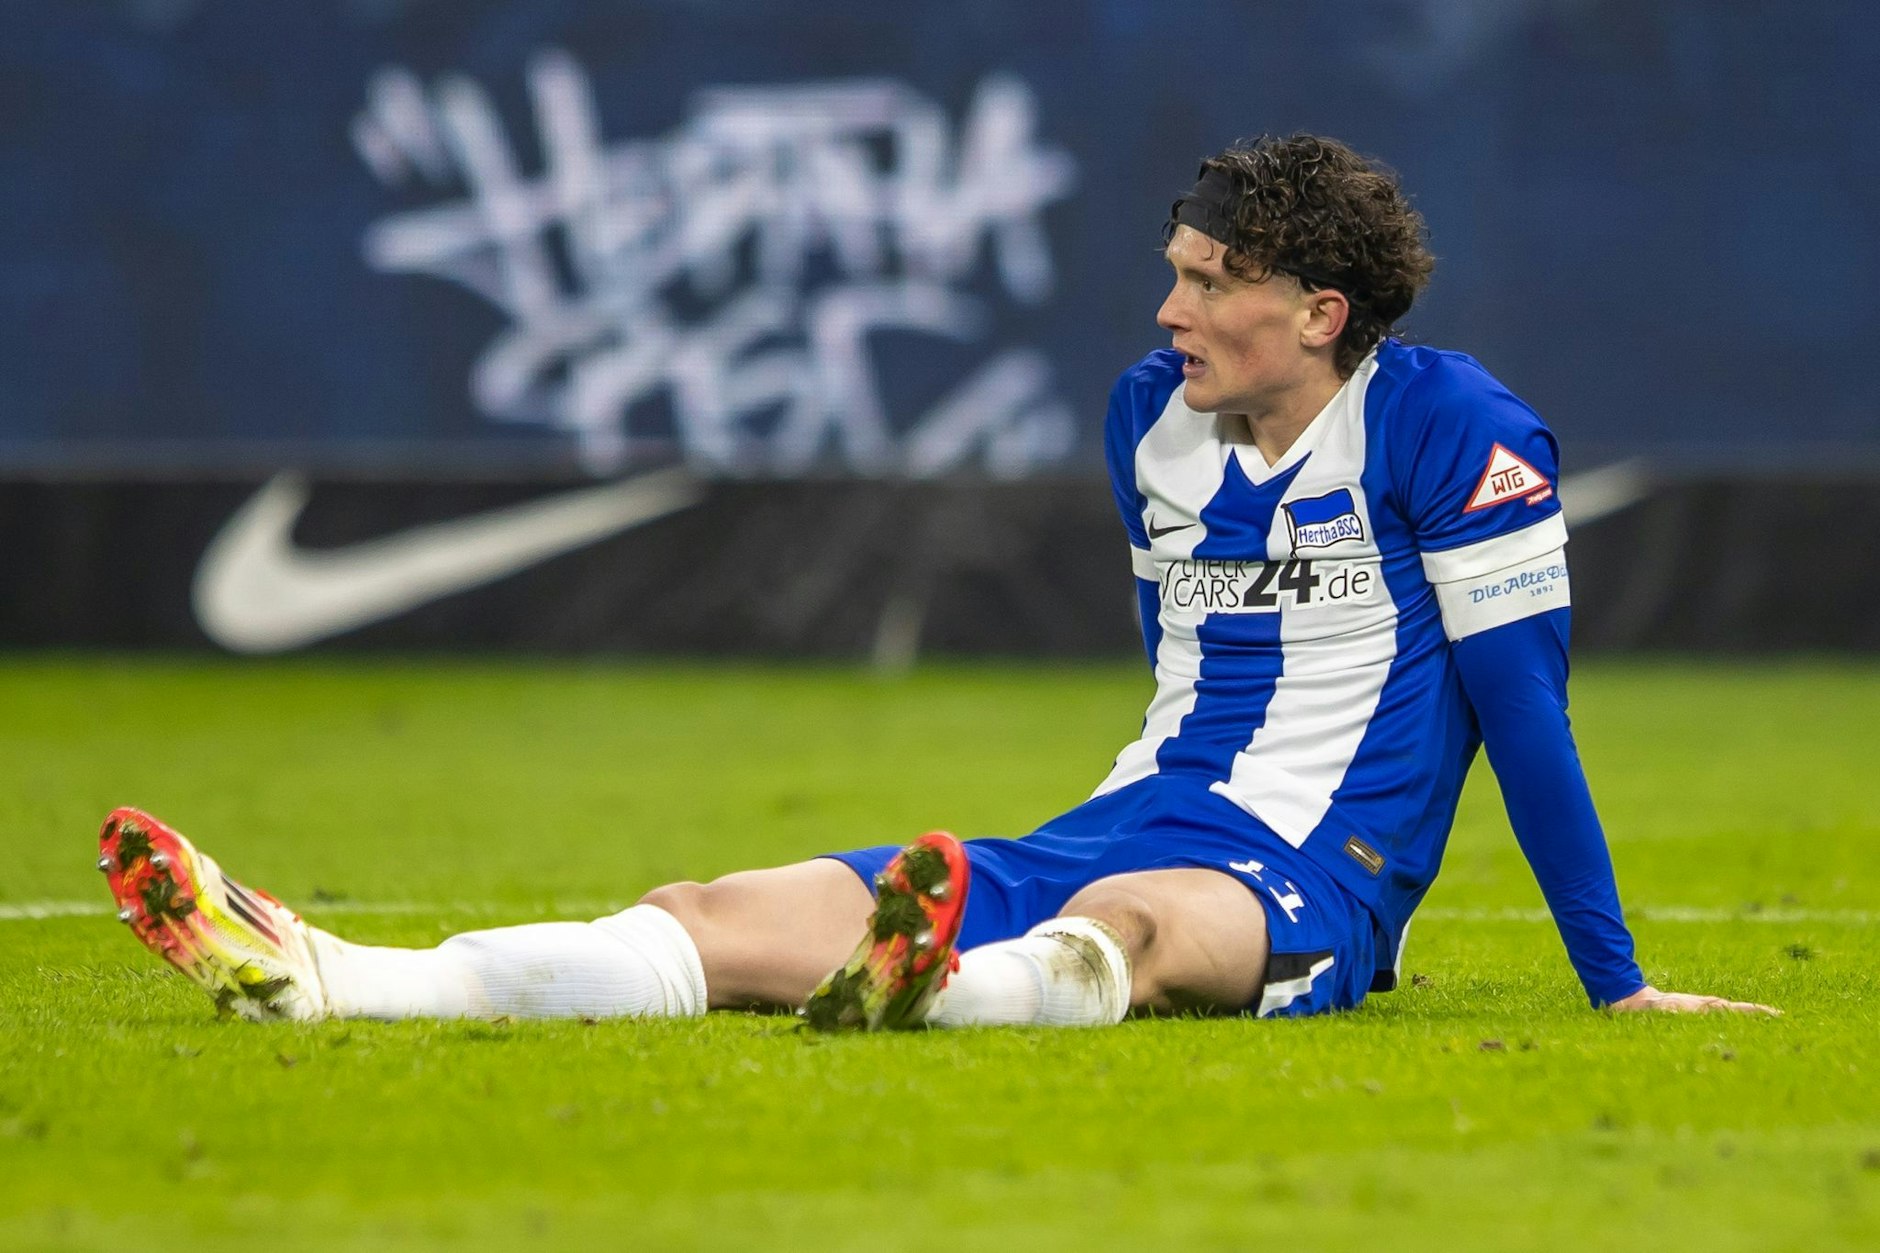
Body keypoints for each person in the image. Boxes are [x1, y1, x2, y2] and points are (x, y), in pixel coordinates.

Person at [100, 134, 1776, 1029]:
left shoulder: (1461, 429)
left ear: (1323, 310)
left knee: (1128, 934)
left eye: (1212, 282)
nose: (1171, 309)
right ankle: (339, 979)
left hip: (1313, 877)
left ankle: (941, 989)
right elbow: (1171, 651)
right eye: (1174, 273)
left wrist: (1612, 976)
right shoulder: (1154, 415)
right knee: (705, 917)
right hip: (1127, 817)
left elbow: (1521, 710)